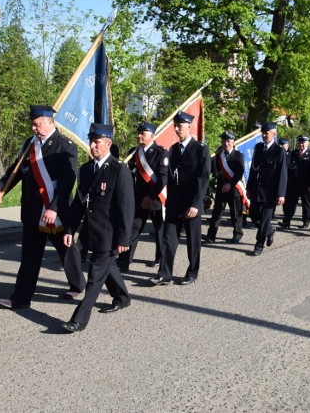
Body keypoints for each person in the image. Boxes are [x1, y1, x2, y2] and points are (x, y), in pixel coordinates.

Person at [0, 105, 85, 308]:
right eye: (32, 124)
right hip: (33, 211)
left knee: (67, 251)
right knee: (29, 257)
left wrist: (53, 207)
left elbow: (67, 180)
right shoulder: (29, 144)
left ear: (50, 122)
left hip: (57, 212)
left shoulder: (65, 145)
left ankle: (77, 286)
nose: (34, 128)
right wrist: (0, 188)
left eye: (37, 124)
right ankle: (20, 299)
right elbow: (17, 170)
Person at [62, 123, 133, 332]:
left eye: (97, 142)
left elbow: (126, 207)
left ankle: (79, 319)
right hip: (91, 232)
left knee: (94, 276)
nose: (92, 146)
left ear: (108, 144)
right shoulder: (85, 170)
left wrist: (123, 239)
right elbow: (78, 203)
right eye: (91, 141)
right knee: (107, 266)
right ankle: (122, 296)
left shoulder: (119, 171)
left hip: (110, 234)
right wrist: (69, 229)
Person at [148, 111, 210, 285]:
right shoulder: (173, 150)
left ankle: (192, 272)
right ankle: (164, 273)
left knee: (193, 241)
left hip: (191, 204)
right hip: (174, 203)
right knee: (168, 239)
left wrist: (196, 204)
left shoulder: (200, 149)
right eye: (175, 126)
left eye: (180, 126)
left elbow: (203, 178)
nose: (176, 129)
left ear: (189, 127)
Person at [117, 121, 167, 272]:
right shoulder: (133, 152)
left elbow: (163, 178)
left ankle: (161, 259)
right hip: (137, 197)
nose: (139, 136)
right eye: (138, 133)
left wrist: (151, 196)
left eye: (142, 133)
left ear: (151, 136)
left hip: (155, 198)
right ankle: (124, 261)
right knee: (133, 228)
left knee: (159, 230)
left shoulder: (161, 152)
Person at [246, 122, 287, 256]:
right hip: (257, 189)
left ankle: (259, 245)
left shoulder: (279, 151)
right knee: (253, 214)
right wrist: (249, 187)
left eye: (267, 133)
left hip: (271, 191)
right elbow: (253, 169)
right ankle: (269, 230)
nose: (264, 135)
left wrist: (281, 194)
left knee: (264, 219)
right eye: (263, 133)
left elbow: (282, 173)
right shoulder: (258, 148)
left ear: (273, 134)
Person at [203, 130, 246, 244]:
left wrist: (230, 184)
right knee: (216, 213)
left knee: (235, 213)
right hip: (221, 188)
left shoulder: (238, 155)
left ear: (233, 142)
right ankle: (211, 235)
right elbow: (212, 170)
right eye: (224, 141)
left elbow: (239, 172)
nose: (226, 144)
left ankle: (237, 233)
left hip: (234, 188)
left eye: (228, 141)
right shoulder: (218, 155)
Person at [280, 134, 310, 229]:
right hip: (293, 183)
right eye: (300, 142)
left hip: (306, 185)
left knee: (307, 205)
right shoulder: (293, 154)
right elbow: (288, 167)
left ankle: (306, 221)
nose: (301, 145)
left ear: (307, 143)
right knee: (290, 204)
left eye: (303, 143)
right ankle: (286, 222)